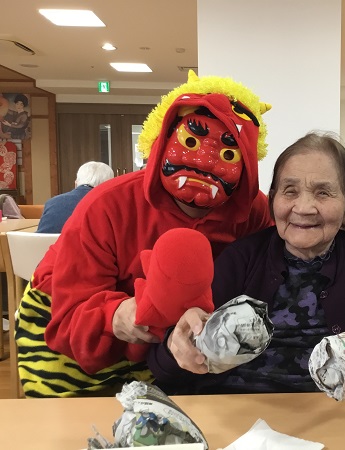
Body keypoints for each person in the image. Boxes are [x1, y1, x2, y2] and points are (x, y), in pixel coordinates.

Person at [15, 71, 274, 397]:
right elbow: (69, 314)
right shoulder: (107, 204)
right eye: (190, 142)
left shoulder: (253, 211)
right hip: (70, 326)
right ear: (162, 139)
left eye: (227, 154)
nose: (204, 162)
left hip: (173, 347)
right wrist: (116, 315)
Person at [148, 132, 345, 395]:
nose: (303, 208)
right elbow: (165, 367)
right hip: (238, 408)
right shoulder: (241, 257)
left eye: (323, 193)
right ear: (273, 201)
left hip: (337, 412)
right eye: (290, 191)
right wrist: (178, 346)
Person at [36, 161, 114, 233]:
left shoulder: (52, 202)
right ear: (109, 184)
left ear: (76, 183)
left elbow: (40, 236)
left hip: (47, 243)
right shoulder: (107, 205)